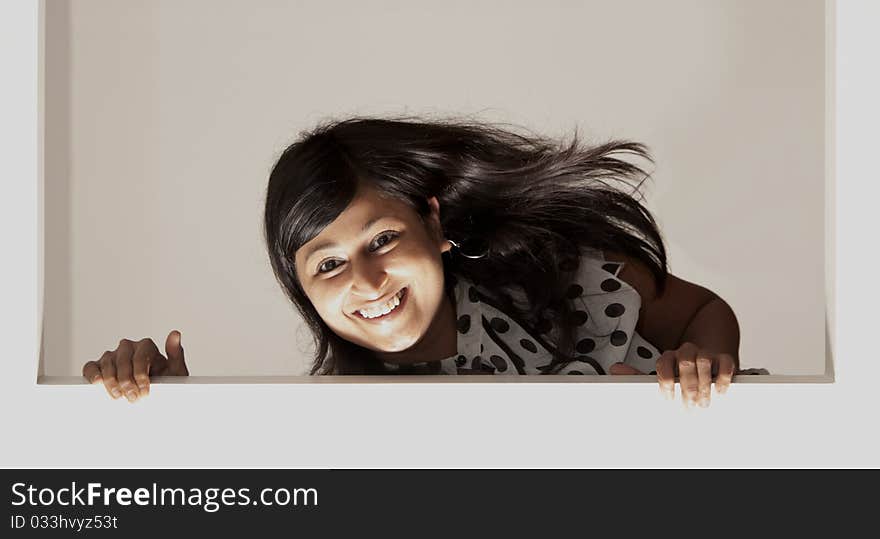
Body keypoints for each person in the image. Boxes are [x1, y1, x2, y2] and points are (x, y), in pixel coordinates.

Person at [83, 115, 749, 408]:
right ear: (303, 292)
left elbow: (702, 312)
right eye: (328, 265)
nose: (367, 281)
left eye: (381, 240)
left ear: (433, 224)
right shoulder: (355, 409)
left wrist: (703, 361)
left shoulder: (551, 273)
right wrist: (170, 413)